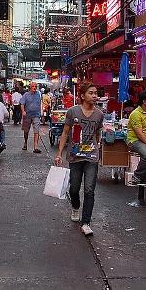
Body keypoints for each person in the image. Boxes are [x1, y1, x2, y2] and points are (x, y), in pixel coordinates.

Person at [54, 81, 103, 236]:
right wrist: (59, 154)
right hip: (75, 156)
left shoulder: (99, 115)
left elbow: (97, 133)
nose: (94, 95)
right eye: (91, 93)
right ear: (82, 96)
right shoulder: (72, 112)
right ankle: (75, 206)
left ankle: (86, 222)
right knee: (74, 189)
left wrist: (98, 148)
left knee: (89, 190)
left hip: (91, 157)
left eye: (96, 93)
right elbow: (65, 132)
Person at [21, 82, 42, 153]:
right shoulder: (26, 95)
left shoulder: (38, 94)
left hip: (36, 115)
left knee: (36, 130)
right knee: (26, 131)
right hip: (27, 115)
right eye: (33, 86)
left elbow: (40, 103)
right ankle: (25, 143)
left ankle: (35, 147)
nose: (34, 87)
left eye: (36, 86)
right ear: (30, 87)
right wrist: (23, 111)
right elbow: (22, 104)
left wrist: (41, 112)